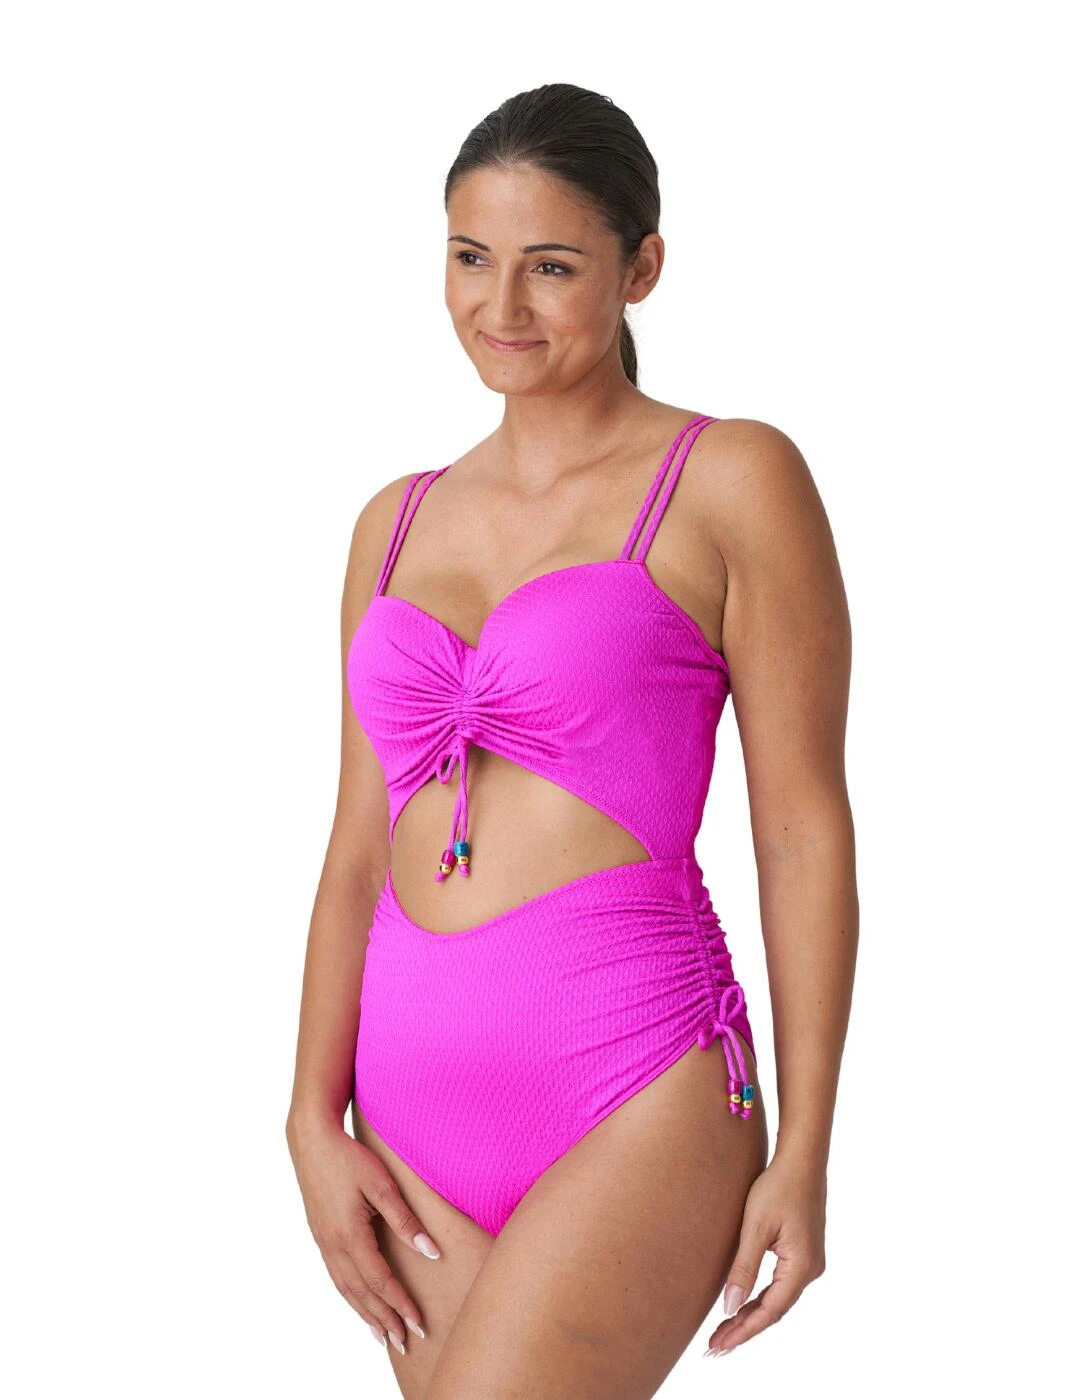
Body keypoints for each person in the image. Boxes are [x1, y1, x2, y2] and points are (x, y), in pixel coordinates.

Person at [286, 82, 857, 1398]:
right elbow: (355, 851)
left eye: (552, 266)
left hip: (632, 1080)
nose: (502, 305)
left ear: (640, 268)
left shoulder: (731, 478)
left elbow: (800, 826)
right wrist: (309, 1117)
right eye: (470, 257)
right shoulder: (392, 521)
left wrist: (809, 1150)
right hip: (408, 1107)